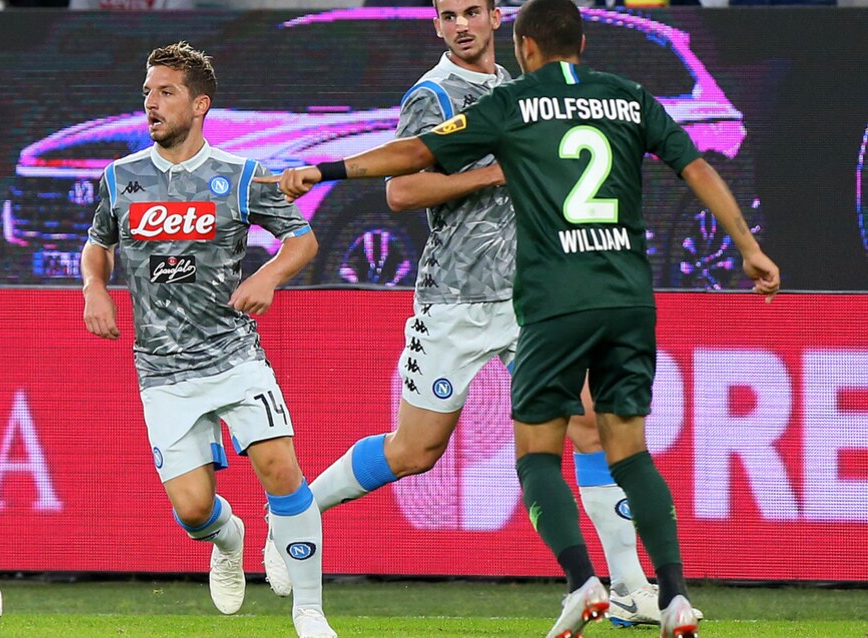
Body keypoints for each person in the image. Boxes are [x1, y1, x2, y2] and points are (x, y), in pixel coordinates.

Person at [259, 0, 781, 634]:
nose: (460, 25)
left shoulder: (521, 89)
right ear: (436, 25)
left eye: (470, 12)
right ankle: (296, 514)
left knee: (589, 427)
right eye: (448, 15)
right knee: (415, 451)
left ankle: (629, 587)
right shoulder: (434, 94)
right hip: (455, 299)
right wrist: (493, 174)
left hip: (531, 297)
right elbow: (402, 189)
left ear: (498, 19)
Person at [80, 41, 336, 638]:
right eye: (147, 92)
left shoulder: (240, 177)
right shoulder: (120, 178)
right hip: (162, 369)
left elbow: (302, 240)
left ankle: (309, 612)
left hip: (234, 356)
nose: (152, 103)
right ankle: (229, 539)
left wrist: (267, 277)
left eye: (165, 92)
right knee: (194, 510)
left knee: (282, 472)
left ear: (199, 105)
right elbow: (98, 245)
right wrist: (94, 287)